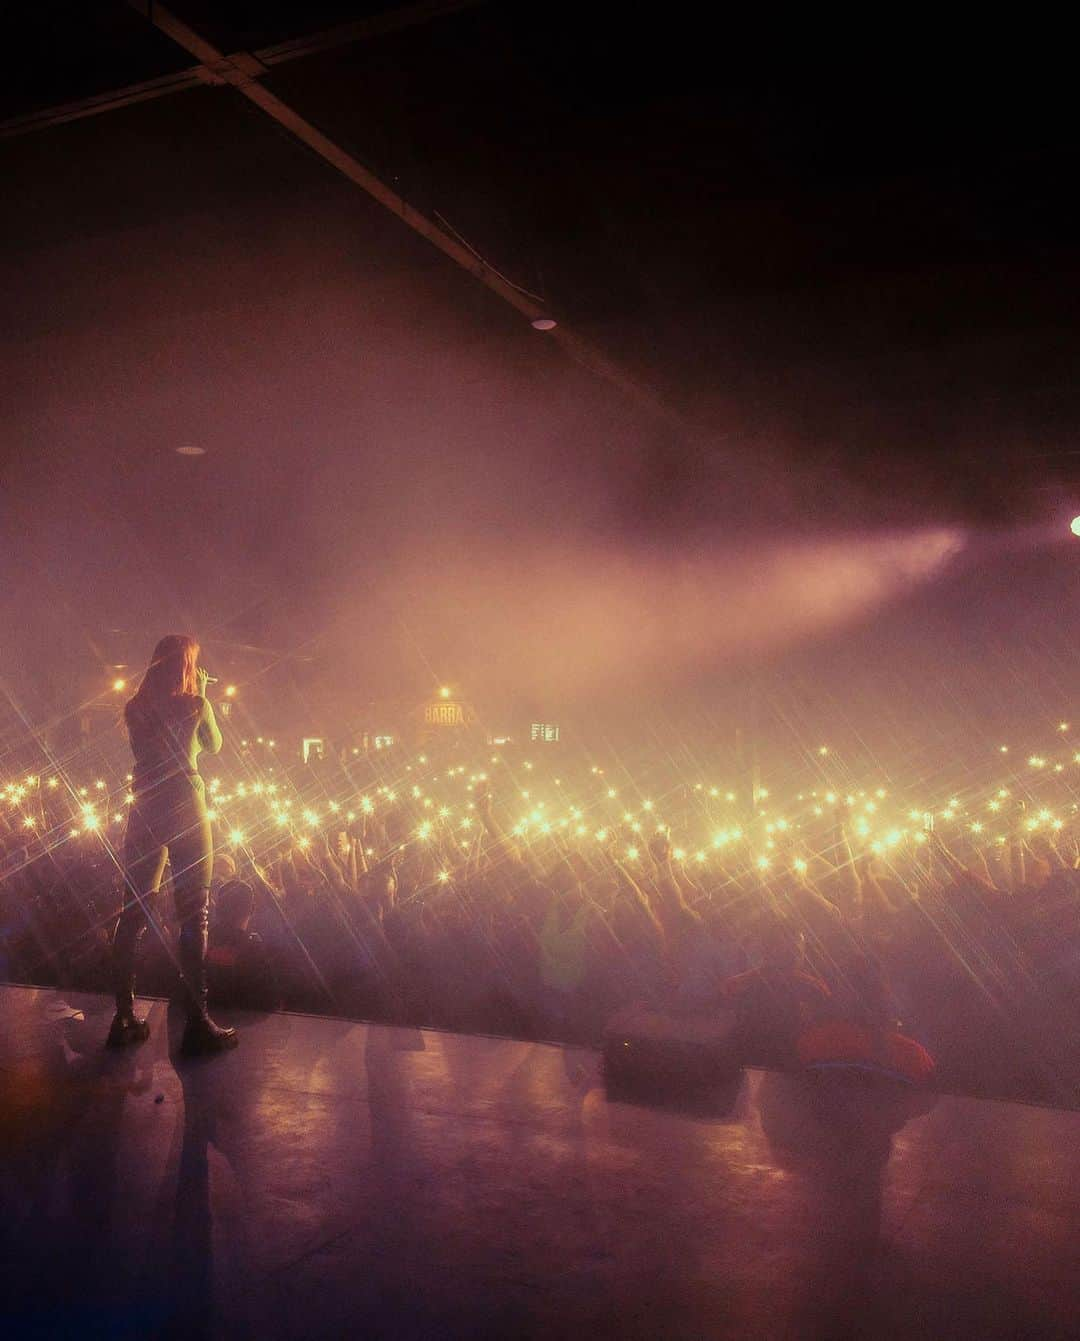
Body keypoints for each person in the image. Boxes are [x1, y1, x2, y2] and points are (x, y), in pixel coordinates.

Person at [107, 634, 238, 1054]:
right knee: (194, 915)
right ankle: (198, 1022)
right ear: (187, 665)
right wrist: (200, 695)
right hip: (184, 802)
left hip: (145, 804)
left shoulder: (135, 707)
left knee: (132, 913)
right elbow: (213, 745)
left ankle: (123, 1016)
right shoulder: (196, 704)